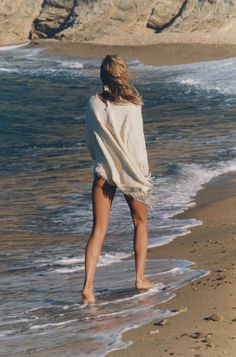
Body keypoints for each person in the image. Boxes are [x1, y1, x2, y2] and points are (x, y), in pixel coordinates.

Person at [82, 54, 154, 305]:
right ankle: (140, 278)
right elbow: (137, 146)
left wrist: (101, 161)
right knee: (140, 222)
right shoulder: (133, 106)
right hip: (130, 172)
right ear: (124, 75)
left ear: (103, 76)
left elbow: (91, 141)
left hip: (103, 172)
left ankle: (88, 288)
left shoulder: (93, 103)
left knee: (98, 230)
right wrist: (141, 176)